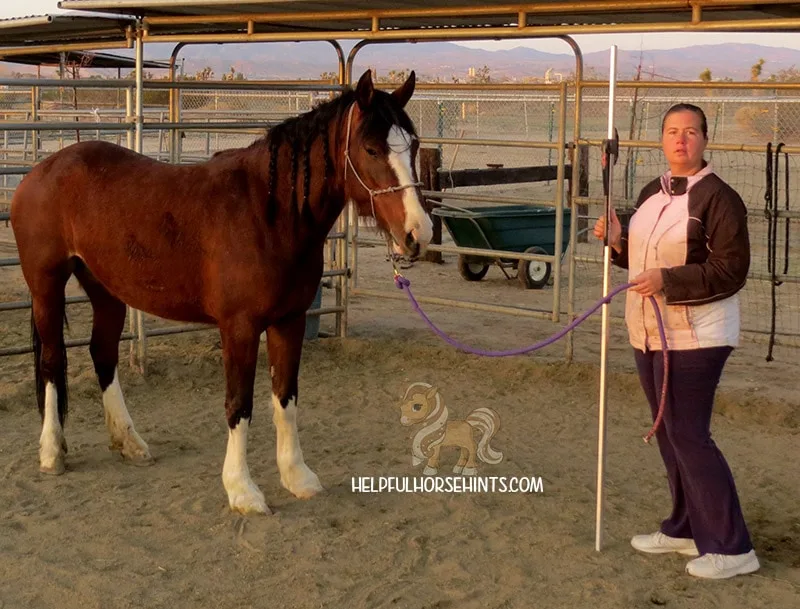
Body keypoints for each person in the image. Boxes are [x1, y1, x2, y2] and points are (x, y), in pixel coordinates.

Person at [593, 103, 759, 579]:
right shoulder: (652, 193)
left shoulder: (720, 200)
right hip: (648, 332)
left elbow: (731, 271)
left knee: (689, 434)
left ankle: (732, 546)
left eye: (690, 131)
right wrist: (619, 241)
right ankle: (686, 527)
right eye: (672, 131)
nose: (681, 139)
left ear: (705, 139)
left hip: (698, 335)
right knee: (669, 434)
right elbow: (642, 261)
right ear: (661, 141)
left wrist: (667, 280)